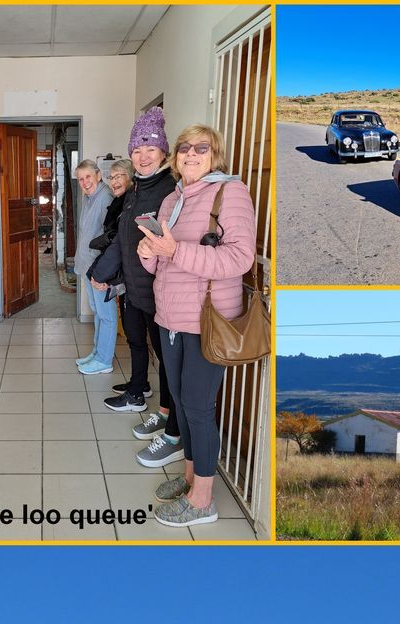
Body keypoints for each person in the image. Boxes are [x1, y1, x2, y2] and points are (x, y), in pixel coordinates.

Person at [137, 122, 256, 528]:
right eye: (184, 147)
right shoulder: (172, 198)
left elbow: (240, 259)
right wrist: (149, 251)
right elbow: (160, 260)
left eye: (200, 148)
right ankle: (190, 479)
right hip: (170, 318)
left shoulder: (231, 192)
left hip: (208, 321)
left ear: (214, 154)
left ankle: (203, 500)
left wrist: (175, 250)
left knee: (199, 409)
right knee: (183, 408)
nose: (190, 153)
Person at [104, 107, 178, 435]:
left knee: (168, 363)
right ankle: (160, 411)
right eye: (136, 150)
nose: (143, 156)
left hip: (160, 294)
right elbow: (124, 236)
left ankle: (170, 423)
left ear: (164, 151)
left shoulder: (170, 190)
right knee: (149, 350)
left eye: (150, 149)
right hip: (135, 287)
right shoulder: (137, 188)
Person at [72, 160, 116, 374]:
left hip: (100, 270)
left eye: (88, 177)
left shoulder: (105, 197)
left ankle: (104, 360)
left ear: (98, 175)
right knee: (98, 313)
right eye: (80, 179)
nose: (84, 182)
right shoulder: (89, 197)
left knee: (106, 314)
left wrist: (103, 273)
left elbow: (109, 238)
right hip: (88, 266)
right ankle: (97, 353)